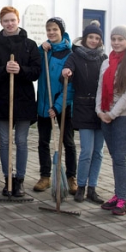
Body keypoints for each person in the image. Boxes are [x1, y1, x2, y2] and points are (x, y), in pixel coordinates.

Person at [0, 6, 41, 197]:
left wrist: (21, 70)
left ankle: (20, 180)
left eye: (12, 20)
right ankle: (7, 178)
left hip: (23, 100)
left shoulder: (30, 45)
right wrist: (4, 69)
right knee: (4, 141)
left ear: (18, 21)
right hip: (2, 101)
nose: (9, 24)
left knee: (21, 141)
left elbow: (36, 71)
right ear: (1, 23)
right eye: (5, 21)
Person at [96, 25, 126, 216]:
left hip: (123, 116)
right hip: (105, 115)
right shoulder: (106, 62)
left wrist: (112, 114)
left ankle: (122, 198)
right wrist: (99, 110)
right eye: (113, 39)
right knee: (114, 156)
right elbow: (100, 87)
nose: (116, 43)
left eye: (120, 39)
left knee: (120, 157)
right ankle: (116, 194)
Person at [62, 21, 107, 204]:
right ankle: (81, 186)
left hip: (101, 109)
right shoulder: (75, 56)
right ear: (85, 38)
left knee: (98, 152)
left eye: (97, 38)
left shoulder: (104, 58)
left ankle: (92, 188)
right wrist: (66, 72)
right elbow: (66, 71)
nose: (94, 41)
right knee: (87, 151)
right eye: (91, 37)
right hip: (82, 107)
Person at [33, 17, 77, 194]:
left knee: (68, 142)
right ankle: (45, 176)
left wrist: (57, 106)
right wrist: (39, 48)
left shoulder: (70, 54)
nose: (51, 33)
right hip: (44, 103)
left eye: (55, 29)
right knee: (43, 141)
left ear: (61, 31)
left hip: (63, 105)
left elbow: (71, 86)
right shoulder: (45, 51)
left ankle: (71, 177)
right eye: (48, 29)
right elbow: (35, 67)